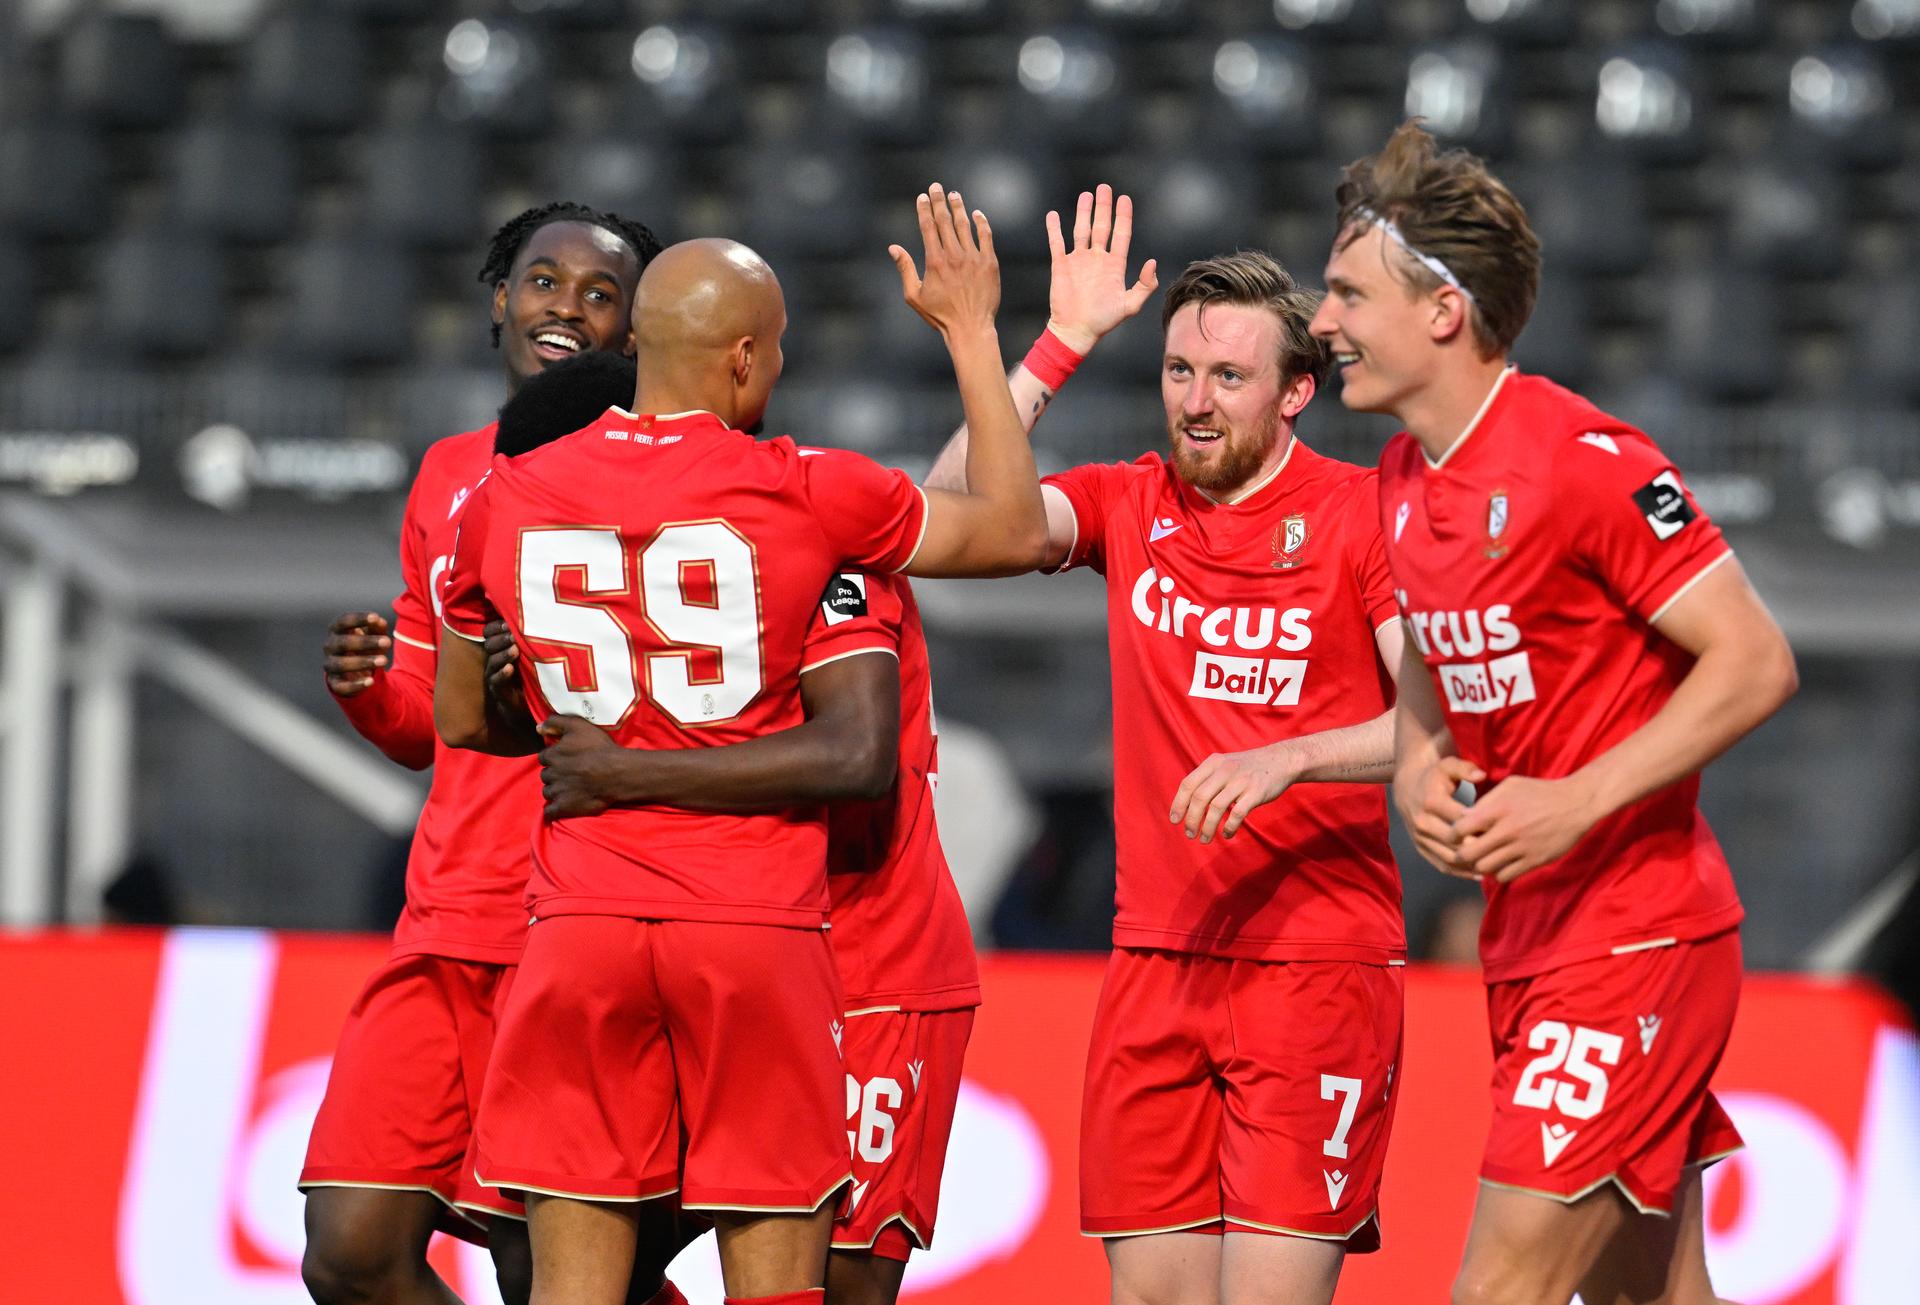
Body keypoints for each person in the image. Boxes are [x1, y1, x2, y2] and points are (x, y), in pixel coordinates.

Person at [433, 187, 1047, 1305]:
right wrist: (970, 333)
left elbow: (464, 719)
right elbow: (1009, 526)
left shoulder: (502, 500)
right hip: (753, 929)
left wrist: (589, 739)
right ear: (747, 358)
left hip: (578, 926)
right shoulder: (806, 492)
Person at [1310, 120, 1798, 1305]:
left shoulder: (1582, 459)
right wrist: (1421, 762)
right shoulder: (1401, 482)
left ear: (1441, 312)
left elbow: (1755, 661)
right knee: (1653, 1295)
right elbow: (1432, 664)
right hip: (1531, 942)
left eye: (1345, 294)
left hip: (1638, 937)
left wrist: (1577, 801)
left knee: (1500, 1292)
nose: (1321, 324)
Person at [923, 187, 1410, 1305]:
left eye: (1228, 378)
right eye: (1179, 372)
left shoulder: (1360, 517)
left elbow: (1437, 720)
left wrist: (1287, 758)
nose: (1195, 403)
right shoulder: (1129, 504)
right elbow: (946, 518)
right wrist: (1064, 342)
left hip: (1314, 967)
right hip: (1156, 960)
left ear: (1296, 392)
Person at [478, 366, 982, 1305]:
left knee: (837, 1285)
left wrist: (1021, 351)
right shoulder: (648, 566)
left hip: (871, 956)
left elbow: (860, 748)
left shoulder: (823, 538)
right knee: (551, 1255)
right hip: (717, 932)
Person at [301, 202, 666, 1305]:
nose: (566, 305)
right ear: (500, 297)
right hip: (448, 916)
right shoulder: (447, 474)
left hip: (582, 917)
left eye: (601, 292)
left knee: (546, 1270)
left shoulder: (667, 475)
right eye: (543, 279)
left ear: (638, 334)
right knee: (351, 1249)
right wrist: (371, 696)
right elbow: (429, 725)